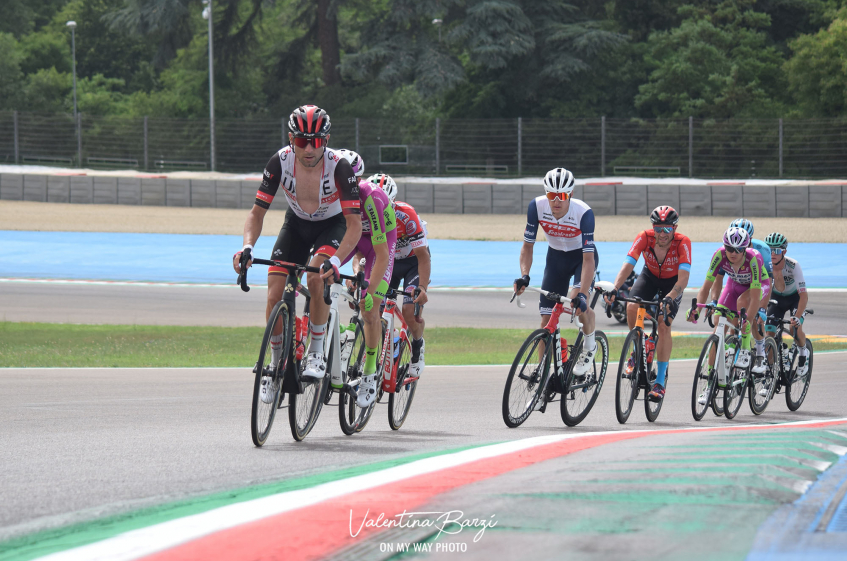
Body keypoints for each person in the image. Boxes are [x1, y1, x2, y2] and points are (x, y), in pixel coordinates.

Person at [233, 105, 362, 404]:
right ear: (291, 138)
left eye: (315, 141)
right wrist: (248, 247)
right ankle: (275, 363)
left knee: (318, 278)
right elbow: (256, 214)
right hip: (296, 225)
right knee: (273, 294)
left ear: (326, 141)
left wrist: (336, 260)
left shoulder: (340, 168)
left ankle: (316, 351)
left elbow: (354, 225)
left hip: (332, 226)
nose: (307, 148)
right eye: (301, 140)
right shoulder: (279, 161)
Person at [514, 168, 599, 395]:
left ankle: (590, 347)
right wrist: (525, 275)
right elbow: (527, 247)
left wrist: (582, 292)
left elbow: (589, 259)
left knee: (578, 305)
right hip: (556, 259)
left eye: (561, 196)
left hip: (581, 258)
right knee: (545, 320)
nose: (556, 201)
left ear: (569, 194)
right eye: (552, 196)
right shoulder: (537, 207)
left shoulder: (584, 213)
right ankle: (542, 374)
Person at [604, 206, 691, 401]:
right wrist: (615, 288)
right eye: (658, 228)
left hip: (673, 282)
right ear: (653, 227)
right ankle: (637, 349)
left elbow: (684, 278)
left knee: (663, 322)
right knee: (632, 306)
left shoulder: (682, 242)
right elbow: (629, 263)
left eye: (667, 229)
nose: (662, 233)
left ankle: (659, 382)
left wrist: (670, 296)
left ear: (674, 228)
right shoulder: (644, 237)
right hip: (649, 276)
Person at [333, 153, 399, 408]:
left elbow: (380, 252)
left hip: (381, 244)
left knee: (369, 307)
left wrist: (369, 289)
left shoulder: (369, 197)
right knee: (322, 273)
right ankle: (333, 333)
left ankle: (370, 373)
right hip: (357, 239)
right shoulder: (328, 194)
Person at [688, 227, 769, 381]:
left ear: (745, 249)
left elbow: (754, 295)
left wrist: (748, 320)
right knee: (718, 326)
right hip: (735, 284)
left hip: (757, 285)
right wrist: (697, 309)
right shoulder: (719, 255)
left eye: (738, 249)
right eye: (729, 248)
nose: (733, 252)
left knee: (743, 306)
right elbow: (706, 287)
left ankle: (748, 349)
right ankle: (711, 378)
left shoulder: (754, 258)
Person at [375, 173, 431, 379]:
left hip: (412, 263)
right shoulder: (365, 214)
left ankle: (418, 345)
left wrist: (422, 288)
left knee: (409, 311)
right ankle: (385, 348)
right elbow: (360, 251)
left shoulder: (406, 215)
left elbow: (423, 258)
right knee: (372, 309)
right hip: (387, 261)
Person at [764, 232, 811, 376]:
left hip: (794, 298)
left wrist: (797, 316)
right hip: (776, 297)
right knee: (769, 332)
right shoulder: (765, 264)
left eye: (777, 251)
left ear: (784, 251)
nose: (773, 254)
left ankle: (804, 352)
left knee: (793, 327)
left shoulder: (793, 265)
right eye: (769, 250)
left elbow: (803, 295)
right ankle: (770, 372)